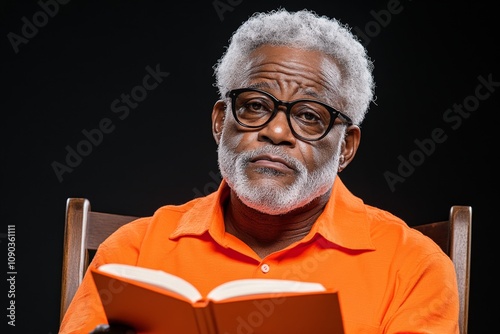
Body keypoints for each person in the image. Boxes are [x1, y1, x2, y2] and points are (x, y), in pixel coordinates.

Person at [59, 8, 459, 334]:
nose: (276, 131)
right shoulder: (133, 252)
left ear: (346, 148)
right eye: (255, 106)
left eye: (308, 115)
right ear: (220, 122)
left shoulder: (415, 267)